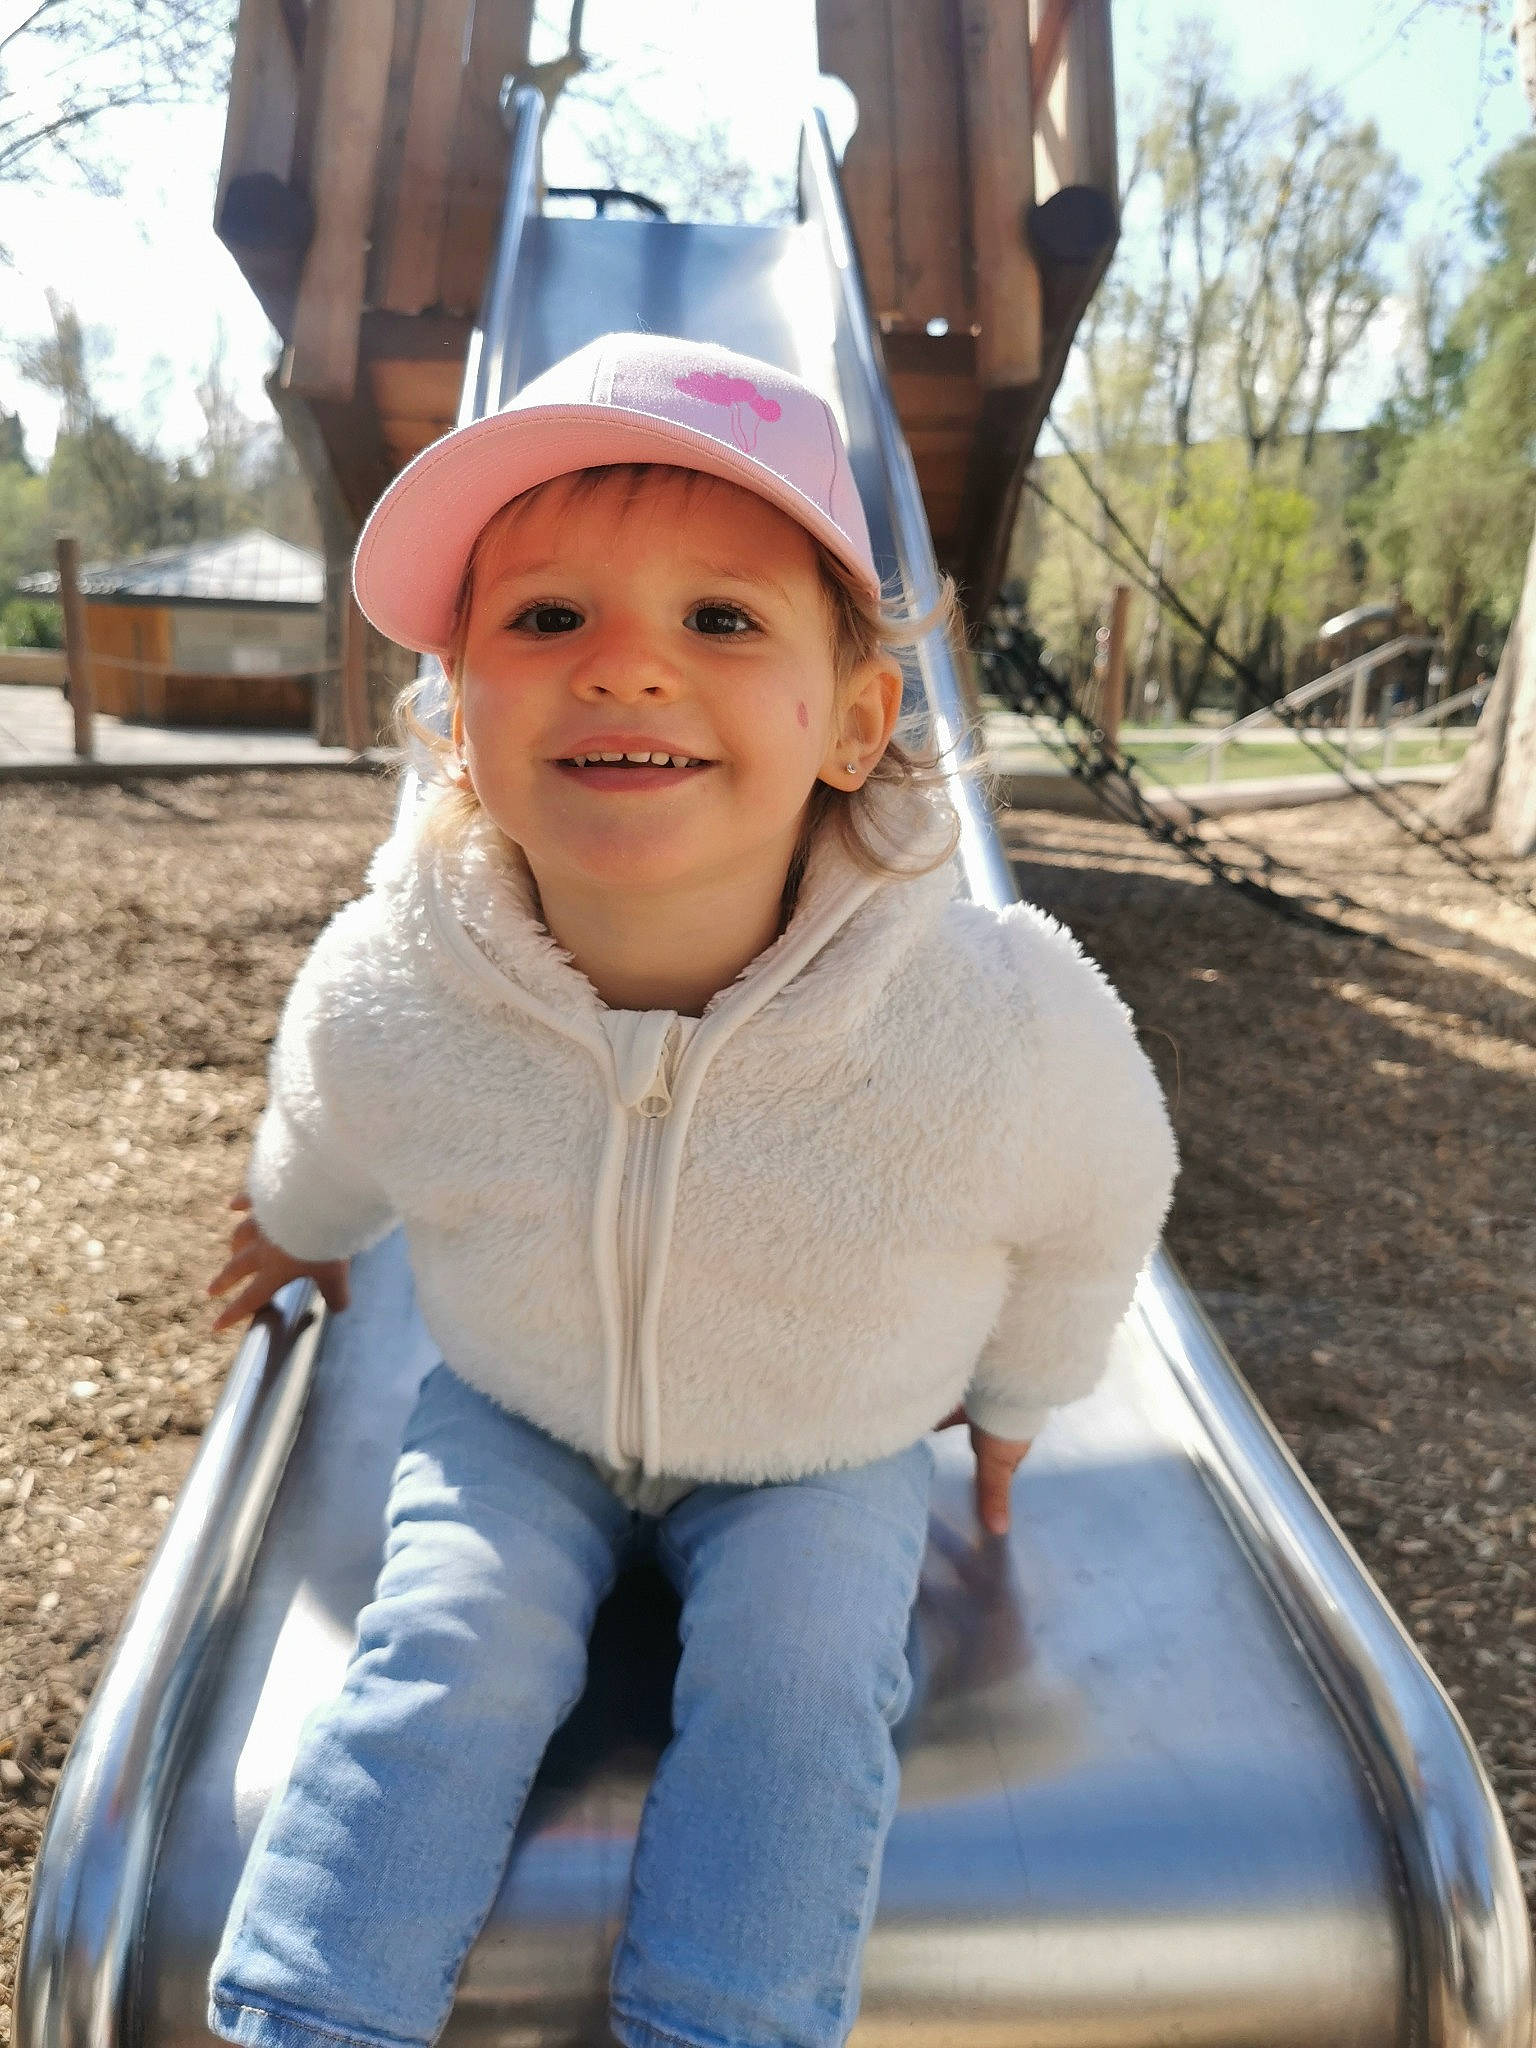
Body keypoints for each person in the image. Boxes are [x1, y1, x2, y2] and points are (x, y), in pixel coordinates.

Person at [203, 332, 1177, 2048]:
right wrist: (296, 1223)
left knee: (806, 1687)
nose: (626, 669)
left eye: (721, 621)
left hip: (823, 1440)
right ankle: (310, 2010)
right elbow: (333, 1110)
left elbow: (1105, 1192)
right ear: (453, 715)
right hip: (526, 1411)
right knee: (448, 1645)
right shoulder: (404, 982)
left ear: (858, 722)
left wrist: (1017, 1398)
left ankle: (724, 2022)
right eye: (546, 620)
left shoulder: (988, 1015)